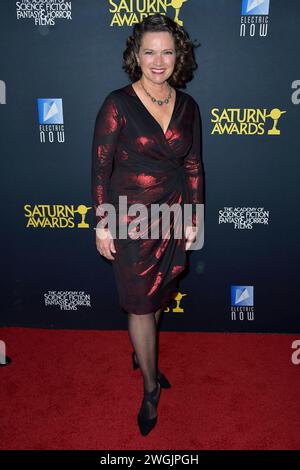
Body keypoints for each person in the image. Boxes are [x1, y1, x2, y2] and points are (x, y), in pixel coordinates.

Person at [91, 13, 204, 436]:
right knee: (140, 301)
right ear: (135, 56)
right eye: (150, 52)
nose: (159, 61)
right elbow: (100, 167)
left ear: (179, 56)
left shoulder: (189, 105)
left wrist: (194, 216)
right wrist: (103, 223)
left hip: (172, 212)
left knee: (159, 294)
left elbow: (194, 165)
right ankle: (151, 387)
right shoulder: (117, 103)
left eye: (168, 52)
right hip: (130, 216)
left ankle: (144, 355)